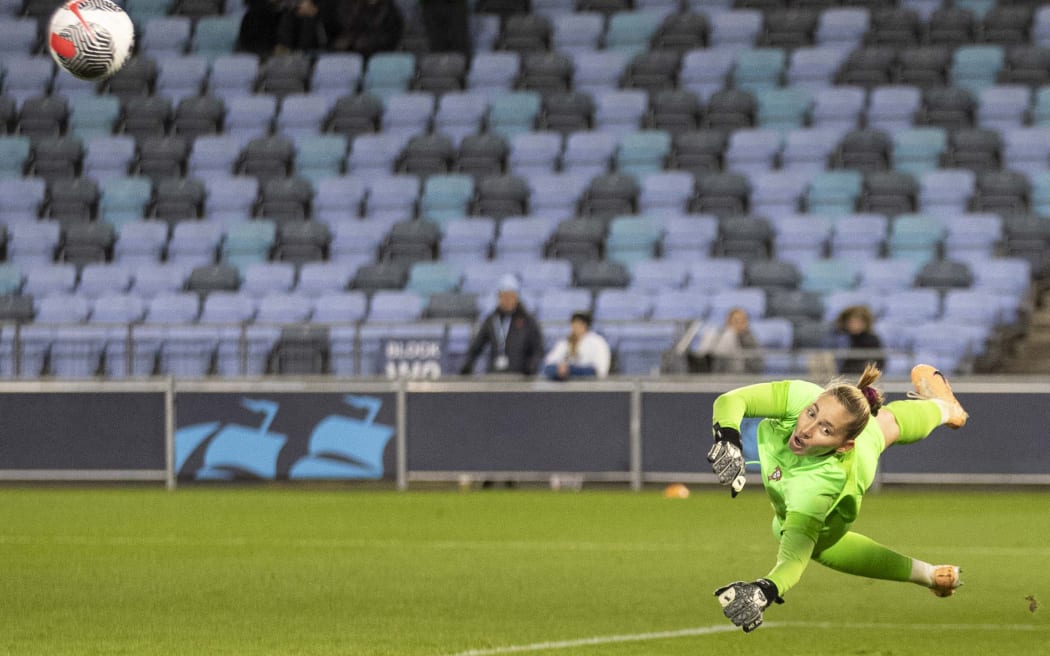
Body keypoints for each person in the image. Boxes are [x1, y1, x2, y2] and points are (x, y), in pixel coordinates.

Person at [706, 363, 968, 633]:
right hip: (847, 443)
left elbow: (794, 558)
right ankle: (946, 407)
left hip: (843, 490)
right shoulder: (802, 396)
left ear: (843, 446)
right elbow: (731, 400)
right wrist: (727, 438)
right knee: (885, 423)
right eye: (811, 413)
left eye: (826, 430)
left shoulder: (818, 489)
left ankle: (928, 575)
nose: (807, 428)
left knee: (806, 538)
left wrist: (766, 589)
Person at [459, 274, 544, 376]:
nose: (507, 300)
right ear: (499, 297)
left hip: (521, 377)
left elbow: (538, 348)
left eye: (510, 296)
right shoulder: (491, 320)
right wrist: (467, 365)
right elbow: (476, 346)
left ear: (517, 297)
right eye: (504, 296)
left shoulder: (528, 321)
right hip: (495, 376)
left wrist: (531, 366)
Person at [541, 311, 611, 381]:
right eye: (573, 324)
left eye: (579, 324)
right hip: (565, 383)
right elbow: (549, 363)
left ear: (585, 325)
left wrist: (569, 369)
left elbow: (599, 370)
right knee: (550, 369)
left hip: (589, 381)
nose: (575, 328)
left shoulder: (597, 341)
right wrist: (559, 368)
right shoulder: (564, 342)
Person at [690, 307, 763, 374]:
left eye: (742, 321)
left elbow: (757, 361)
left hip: (743, 374)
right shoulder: (720, 335)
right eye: (736, 321)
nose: (739, 324)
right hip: (720, 372)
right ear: (728, 322)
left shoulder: (750, 338)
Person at [326, 0, 405, 57]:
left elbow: (390, 36)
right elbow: (343, 26)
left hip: (378, 52)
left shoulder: (390, 11)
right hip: (350, 53)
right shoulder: (350, 5)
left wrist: (363, 42)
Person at [834, 304, 885, 374]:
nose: (854, 325)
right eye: (851, 322)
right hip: (842, 378)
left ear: (865, 323)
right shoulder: (839, 339)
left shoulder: (872, 340)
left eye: (858, 322)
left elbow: (879, 363)